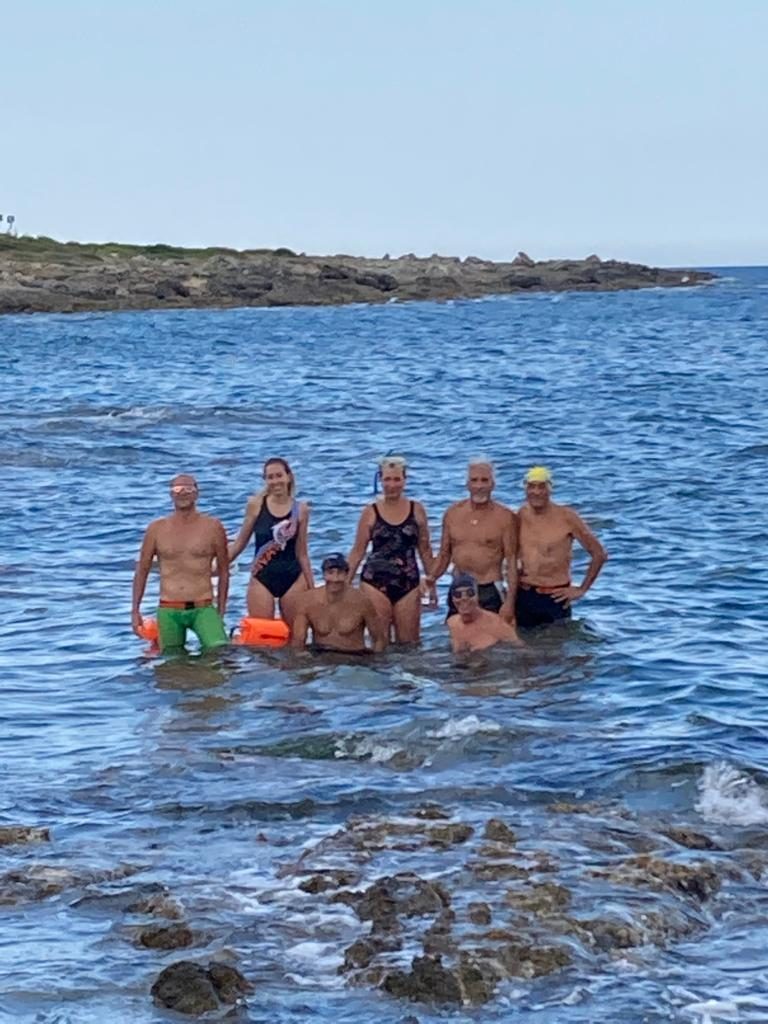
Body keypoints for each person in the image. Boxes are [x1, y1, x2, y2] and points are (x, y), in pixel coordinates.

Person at [131, 474, 229, 654]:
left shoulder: (213, 527)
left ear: (197, 493)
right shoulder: (156, 529)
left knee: (219, 652)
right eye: (177, 489)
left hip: (202, 606)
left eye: (188, 489)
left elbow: (224, 571)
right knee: (171, 662)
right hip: (169, 608)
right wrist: (135, 610)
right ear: (171, 494)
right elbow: (142, 570)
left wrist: (221, 610)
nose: (182, 493)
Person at [346, 454, 436, 643]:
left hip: (409, 584)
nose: (392, 485)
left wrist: (432, 583)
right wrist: (344, 586)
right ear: (380, 479)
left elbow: (425, 550)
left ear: (404, 480)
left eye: (397, 479)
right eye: (387, 479)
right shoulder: (370, 512)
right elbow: (357, 552)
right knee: (380, 644)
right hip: (375, 583)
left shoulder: (417, 509)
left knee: (410, 645)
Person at [424, 458, 517, 621]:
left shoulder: (505, 517)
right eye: (474, 480)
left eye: (484, 480)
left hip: (489, 587)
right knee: (456, 633)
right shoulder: (453, 513)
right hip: (459, 589)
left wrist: (510, 602)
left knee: (491, 636)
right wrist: (431, 579)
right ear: (467, 484)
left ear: (493, 484)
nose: (479, 486)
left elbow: (512, 561)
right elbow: (444, 555)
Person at [516, 466, 608, 627]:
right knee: (522, 642)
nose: (536, 492)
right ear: (525, 489)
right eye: (531, 487)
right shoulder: (520, 515)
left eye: (541, 487)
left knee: (557, 642)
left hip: (555, 597)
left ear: (550, 489)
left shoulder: (567, 517)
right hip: (524, 595)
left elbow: (599, 554)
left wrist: (581, 589)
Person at [228, 457, 313, 628]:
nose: (275, 481)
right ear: (265, 480)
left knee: (295, 636)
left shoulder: (301, 509)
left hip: (293, 578)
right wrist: (214, 565)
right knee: (261, 634)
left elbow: (302, 553)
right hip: (262, 578)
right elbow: (240, 543)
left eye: (279, 475)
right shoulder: (256, 505)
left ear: (288, 476)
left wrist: (312, 588)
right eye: (270, 477)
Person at [291, 553, 387, 654]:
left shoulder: (362, 601)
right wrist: (300, 660)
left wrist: (376, 661)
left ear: (346, 575)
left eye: (340, 573)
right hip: (321, 655)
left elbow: (379, 639)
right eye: (330, 573)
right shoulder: (307, 601)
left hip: (353, 656)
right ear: (323, 574)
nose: (335, 579)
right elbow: (298, 640)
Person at [447, 573, 523, 653]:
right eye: (458, 595)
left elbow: (521, 649)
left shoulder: (497, 625)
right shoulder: (451, 623)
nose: (464, 598)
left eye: (470, 593)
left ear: (478, 596)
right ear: (452, 599)